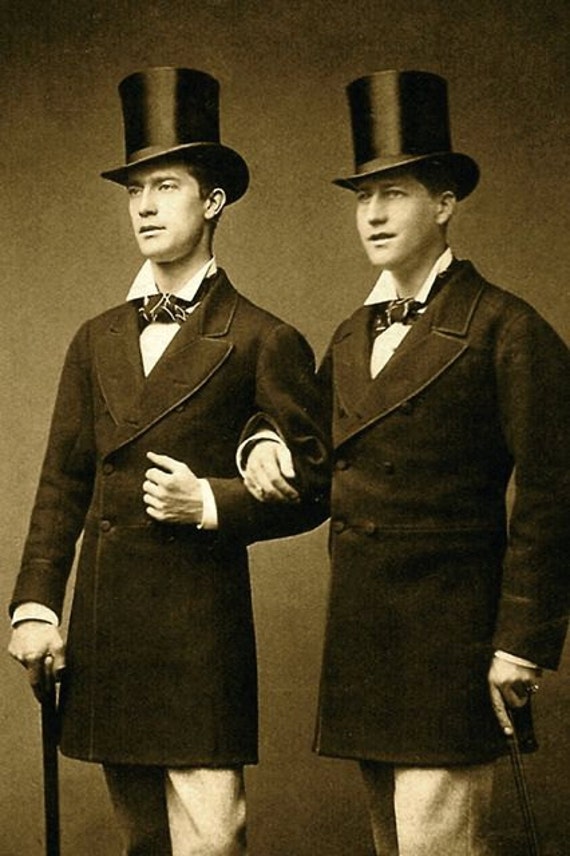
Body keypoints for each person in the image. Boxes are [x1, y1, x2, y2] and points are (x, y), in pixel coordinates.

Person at [241, 70, 570, 855]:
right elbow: (313, 454)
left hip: (454, 642)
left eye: (394, 193)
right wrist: (263, 442)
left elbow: (556, 490)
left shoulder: (505, 327)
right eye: (363, 197)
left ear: (445, 203)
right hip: (364, 638)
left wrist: (521, 641)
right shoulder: (353, 334)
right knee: (390, 845)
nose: (375, 215)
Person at [8, 66, 328, 856]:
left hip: (199, 637)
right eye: (134, 190)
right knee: (142, 841)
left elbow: (317, 485)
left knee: (212, 839)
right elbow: (61, 484)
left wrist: (212, 502)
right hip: (109, 626)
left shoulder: (262, 338)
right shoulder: (95, 339)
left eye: (166, 186)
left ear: (212, 201)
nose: (145, 206)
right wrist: (37, 607)